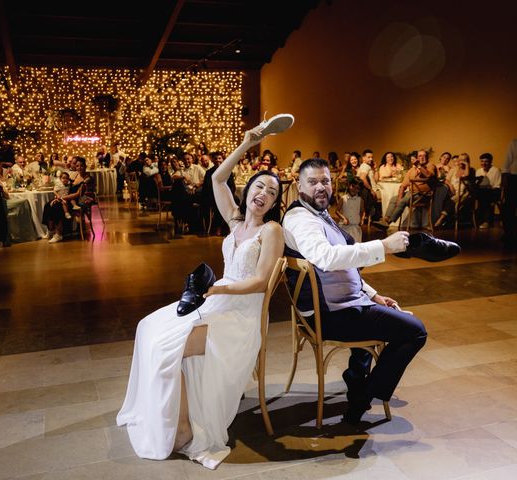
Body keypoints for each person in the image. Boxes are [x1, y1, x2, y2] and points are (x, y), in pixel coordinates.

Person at [117, 124, 285, 469]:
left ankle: (182, 429)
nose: (263, 193)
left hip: (241, 317)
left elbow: (259, 282)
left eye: (271, 191)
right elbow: (217, 180)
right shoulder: (236, 220)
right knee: (148, 327)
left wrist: (216, 288)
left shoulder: (272, 230)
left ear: (274, 202)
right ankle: (165, 412)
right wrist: (246, 143)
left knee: (169, 347)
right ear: (249, 189)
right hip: (218, 302)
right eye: (259, 185)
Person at [282, 157, 427, 424]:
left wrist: (373, 295)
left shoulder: (318, 214)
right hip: (328, 315)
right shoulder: (301, 220)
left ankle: (357, 381)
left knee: (384, 320)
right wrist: (383, 246)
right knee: (415, 331)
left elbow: (344, 268)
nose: (320, 187)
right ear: (299, 185)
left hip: (345, 304)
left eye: (325, 181)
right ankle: (365, 392)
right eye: (312, 182)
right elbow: (327, 258)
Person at [374, 149, 437, 229]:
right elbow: (403, 185)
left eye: (424, 156)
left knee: (404, 199)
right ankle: (385, 219)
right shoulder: (412, 170)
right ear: (417, 158)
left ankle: (388, 222)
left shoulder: (431, 166)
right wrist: (399, 198)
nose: (422, 157)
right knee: (394, 198)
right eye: (420, 156)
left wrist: (419, 166)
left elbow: (428, 175)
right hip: (411, 193)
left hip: (423, 195)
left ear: (427, 158)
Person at [474, 152, 502, 229]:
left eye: (486, 161)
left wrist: (489, 188)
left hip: (494, 191)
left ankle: (487, 221)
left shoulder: (496, 170)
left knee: (486, 197)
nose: (483, 163)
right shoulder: (478, 171)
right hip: (482, 191)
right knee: (479, 195)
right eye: (482, 161)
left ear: (490, 162)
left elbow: (497, 185)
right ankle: (479, 220)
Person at [502, 139, 517, 246]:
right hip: (514, 177)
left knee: (510, 207)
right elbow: (507, 163)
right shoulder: (514, 143)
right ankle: (508, 233)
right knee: (510, 206)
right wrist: (505, 180)